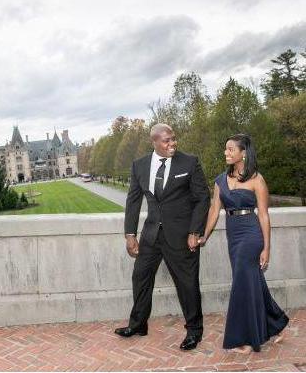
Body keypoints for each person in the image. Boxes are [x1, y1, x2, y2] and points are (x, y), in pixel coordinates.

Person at [114, 123, 210, 351]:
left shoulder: (190, 162)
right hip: (151, 236)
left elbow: (202, 198)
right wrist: (130, 234)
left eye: (173, 138)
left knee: (187, 284)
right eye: (166, 140)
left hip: (181, 237)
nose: (172, 143)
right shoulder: (139, 166)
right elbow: (133, 201)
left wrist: (195, 231)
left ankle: (194, 331)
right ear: (154, 142)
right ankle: (138, 324)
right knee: (140, 278)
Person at [194, 133, 289, 354]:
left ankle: (245, 339)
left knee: (242, 285)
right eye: (225, 149)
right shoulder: (220, 181)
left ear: (243, 153)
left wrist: (266, 247)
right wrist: (204, 235)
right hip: (233, 234)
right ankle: (276, 324)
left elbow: (264, 215)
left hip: (251, 233)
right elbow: (214, 210)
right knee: (252, 282)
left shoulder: (257, 179)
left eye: (230, 149)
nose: (226, 153)